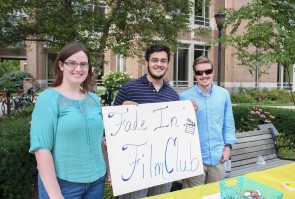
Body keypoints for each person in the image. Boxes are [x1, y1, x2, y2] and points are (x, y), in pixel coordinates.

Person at [114, 44, 196, 199]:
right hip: (134, 169)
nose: (159, 64)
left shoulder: (173, 95)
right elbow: (110, 130)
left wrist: (189, 113)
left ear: (167, 64)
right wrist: (120, 112)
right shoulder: (129, 89)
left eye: (163, 60)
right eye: (155, 60)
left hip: (163, 168)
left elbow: (178, 131)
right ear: (146, 62)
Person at [29, 42, 108, 199]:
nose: (78, 69)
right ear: (61, 65)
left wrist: (109, 168)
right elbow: (41, 149)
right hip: (64, 184)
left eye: (83, 64)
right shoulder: (48, 98)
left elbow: (99, 140)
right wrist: (55, 195)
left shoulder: (93, 98)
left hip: (96, 181)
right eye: (72, 63)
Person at [179, 56, 238, 188]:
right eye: (199, 72)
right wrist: (188, 113)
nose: (204, 75)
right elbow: (179, 129)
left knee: (215, 195)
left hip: (218, 157)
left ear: (213, 72)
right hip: (194, 159)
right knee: (192, 197)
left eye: (207, 71)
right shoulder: (184, 97)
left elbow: (229, 123)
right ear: (195, 75)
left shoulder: (224, 94)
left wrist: (228, 147)